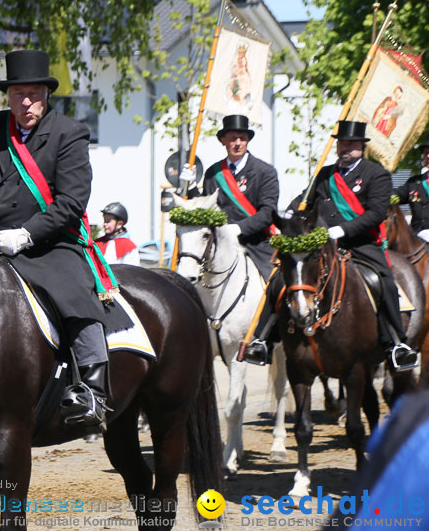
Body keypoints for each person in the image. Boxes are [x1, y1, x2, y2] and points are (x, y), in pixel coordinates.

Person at [0, 49, 130, 430]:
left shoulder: (69, 133)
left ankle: (93, 389)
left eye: (33, 93)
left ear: (47, 95)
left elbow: (71, 202)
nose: (26, 101)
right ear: (8, 96)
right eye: (19, 94)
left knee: (72, 291)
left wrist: (27, 234)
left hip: (48, 243)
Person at [241, 120, 417, 371]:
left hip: (360, 243)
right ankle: (264, 339)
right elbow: (305, 200)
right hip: (321, 246)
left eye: (352, 144)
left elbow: (376, 213)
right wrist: (291, 215)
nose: (346, 148)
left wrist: (342, 229)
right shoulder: (325, 174)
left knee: (384, 281)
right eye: (342, 143)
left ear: (362, 147)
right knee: (280, 279)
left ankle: (396, 344)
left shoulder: (375, 174)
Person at [183, 114, 280, 282]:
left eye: (242, 138)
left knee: (275, 286)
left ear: (248, 140)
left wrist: (239, 228)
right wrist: (191, 188)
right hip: (221, 246)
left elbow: (268, 213)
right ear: (223, 141)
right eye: (232, 138)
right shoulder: (213, 173)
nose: (237, 143)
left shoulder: (265, 171)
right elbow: (206, 211)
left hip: (255, 245)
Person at [393, 136, 429, 241]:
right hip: (417, 237)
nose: (428, 156)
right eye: (426, 153)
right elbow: (395, 195)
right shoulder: (414, 182)